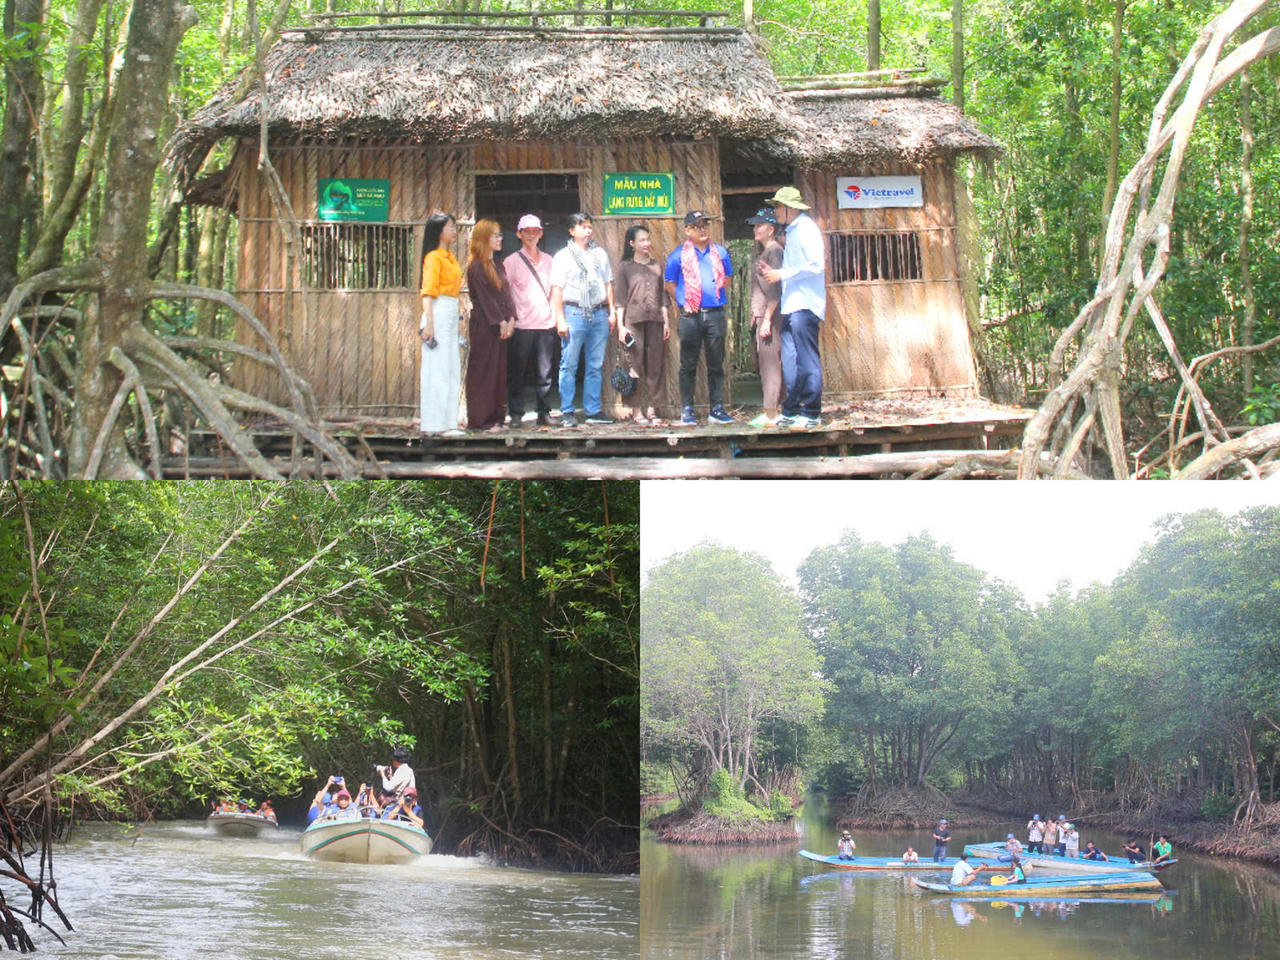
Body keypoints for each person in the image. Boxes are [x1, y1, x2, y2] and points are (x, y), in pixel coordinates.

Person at [759, 187, 825, 428]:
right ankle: (793, 408)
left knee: (807, 359)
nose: (776, 211)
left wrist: (782, 273)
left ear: (790, 208)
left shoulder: (806, 228)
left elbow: (817, 265)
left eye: (778, 207)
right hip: (791, 304)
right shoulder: (793, 231)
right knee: (791, 360)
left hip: (805, 303)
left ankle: (812, 411)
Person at [664, 211, 734, 426]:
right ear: (687, 230)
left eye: (705, 225)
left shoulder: (720, 252)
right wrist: (684, 300)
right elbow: (669, 283)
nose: (702, 230)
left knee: (716, 364)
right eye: (697, 226)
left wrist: (716, 293)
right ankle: (687, 410)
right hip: (690, 316)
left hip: (715, 314)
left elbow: (728, 278)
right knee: (688, 364)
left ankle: (717, 409)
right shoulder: (677, 256)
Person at [550, 213, 615, 427]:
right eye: (583, 227)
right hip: (574, 312)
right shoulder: (562, 256)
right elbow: (557, 290)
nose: (588, 231)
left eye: (589, 227)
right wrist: (560, 319)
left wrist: (611, 311)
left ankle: (593, 411)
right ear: (571, 231)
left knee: (595, 364)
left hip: (598, 313)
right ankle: (567, 411)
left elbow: (608, 283)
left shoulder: (600, 254)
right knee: (569, 363)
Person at [503, 214, 557, 427]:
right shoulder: (511, 261)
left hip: (545, 323)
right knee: (518, 371)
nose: (532, 234)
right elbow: (505, 294)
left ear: (541, 234)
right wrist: (509, 319)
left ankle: (544, 412)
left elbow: (555, 290)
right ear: (519, 234)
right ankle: (516, 414)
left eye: (536, 231)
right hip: (521, 325)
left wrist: (555, 316)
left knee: (545, 372)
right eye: (527, 231)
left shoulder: (549, 260)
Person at [464, 219, 516, 430]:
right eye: (495, 235)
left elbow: (506, 294)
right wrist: (501, 321)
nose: (499, 239)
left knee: (498, 372)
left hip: (501, 326)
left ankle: (497, 418)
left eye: (500, 235)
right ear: (484, 238)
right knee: (483, 372)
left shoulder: (497, 263)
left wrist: (512, 318)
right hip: (485, 327)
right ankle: (480, 421)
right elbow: (486, 299)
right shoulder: (476, 266)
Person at [615, 225, 669, 424]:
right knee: (634, 366)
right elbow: (619, 299)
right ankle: (636, 411)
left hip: (655, 320)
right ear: (632, 244)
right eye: (642, 240)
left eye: (648, 239)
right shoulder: (625, 267)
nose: (647, 243)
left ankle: (654, 410)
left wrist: (666, 321)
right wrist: (621, 326)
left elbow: (663, 296)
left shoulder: (656, 266)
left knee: (656, 366)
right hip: (633, 323)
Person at [419, 212, 464, 436]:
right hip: (436, 310)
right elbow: (428, 292)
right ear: (438, 231)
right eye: (448, 227)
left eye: (454, 226)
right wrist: (429, 323)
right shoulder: (434, 257)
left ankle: (449, 422)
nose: (453, 230)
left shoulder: (450, 257)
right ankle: (434, 424)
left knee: (451, 366)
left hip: (450, 310)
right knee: (436, 368)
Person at [747, 207, 785, 427]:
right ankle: (774, 410)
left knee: (770, 362)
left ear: (771, 229)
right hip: (764, 314)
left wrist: (768, 318)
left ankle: (771, 413)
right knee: (766, 361)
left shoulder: (775, 252)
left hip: (773, 315)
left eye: (759, 225)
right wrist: (756, 313)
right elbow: (759, 289)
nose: (755, 229)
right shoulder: (764, 253)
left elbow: (775, 288)